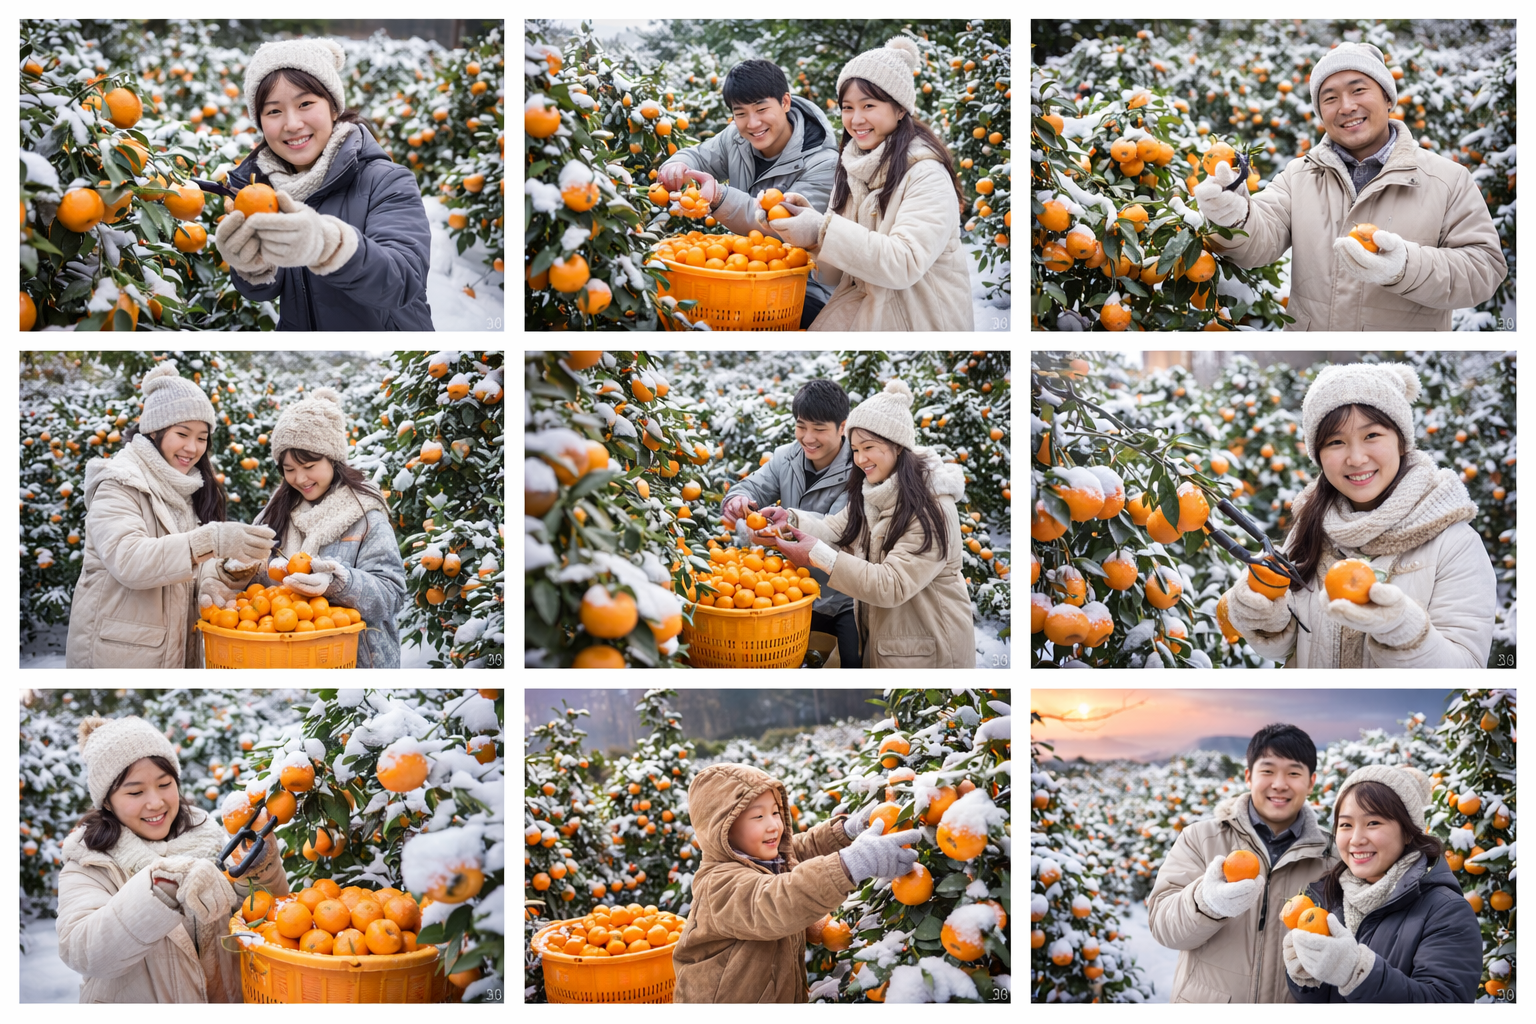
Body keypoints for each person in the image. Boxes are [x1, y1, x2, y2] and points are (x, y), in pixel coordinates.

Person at [1195, 41, 1506, 331]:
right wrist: (1234, 218)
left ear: (1387, 97)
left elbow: (1483, 270)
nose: (1346, 106)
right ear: (1320, 113)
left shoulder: (1447, 179)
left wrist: (1405, 267)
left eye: (1359, 90)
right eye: (1330, 98)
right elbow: (1258, 243)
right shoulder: (1299, 175)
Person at [1221, 362, 1496, 667]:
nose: (1356, 458)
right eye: (1336, 442)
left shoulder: (1454, 543)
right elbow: (1288, 650)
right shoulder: (1311, 524)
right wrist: (1268, 617)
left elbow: (1467, 668)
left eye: (1372, 435)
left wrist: (1404, 631)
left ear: (1401, 440)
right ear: (1318, 454)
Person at [56, 715, 291, 1003]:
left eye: (165, 784)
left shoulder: (212, 838)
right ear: (107, 800)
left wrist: (259, 871)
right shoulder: (90, 864)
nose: (155, 802)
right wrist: (162, 887)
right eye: (135, 791)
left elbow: (270, 924)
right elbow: (84, 951)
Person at [65, 362, 276, 668]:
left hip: (170, 652)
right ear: (154, 429)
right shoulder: (119, 481)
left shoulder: (183, 488)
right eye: (182, 433)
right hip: (120, 657)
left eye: (202, 438)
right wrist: (212, 540)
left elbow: (180, 570)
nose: (192, 448)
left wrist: (227, 569)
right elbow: (130, 559)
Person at [216, 37, 434, 330]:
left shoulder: (387, 181)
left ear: (333, 107)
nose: (292, 123)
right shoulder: (264, 192)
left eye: (305, 103)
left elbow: (403, 280)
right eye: (273, 111)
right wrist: (251, 264)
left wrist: (327, 245)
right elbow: (265, 290)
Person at [756, 378, 973, 667]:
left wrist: (816, 555)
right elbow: (836, 529)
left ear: (897, 446)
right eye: (855, 449)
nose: (859, 459)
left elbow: (891, 584)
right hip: (890, 642)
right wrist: (791, 520)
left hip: (930, 651)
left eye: (868, 447)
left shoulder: (933, 507)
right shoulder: (874, 491)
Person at [760, 37, 972, 331]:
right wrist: (805, 234)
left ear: (900, 109)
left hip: (919, 321)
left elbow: (904, 262)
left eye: (868, 105)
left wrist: (822, 231)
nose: (856, 119)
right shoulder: (850, 167)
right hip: (862, 311)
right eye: (847, 107)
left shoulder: (927, 174)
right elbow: (833, 277)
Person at [671, 762, 918, 1002]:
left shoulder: (764, 859)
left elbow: (800, 850)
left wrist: (846, 832)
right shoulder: (718, 885)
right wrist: (851, 864)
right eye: (758, 816)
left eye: (776, 812)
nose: (773, 825)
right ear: (721, 829)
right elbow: (777, 901)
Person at [199, 387, 405, 668]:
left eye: (309, 465)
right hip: (287, 661)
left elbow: (391, 595)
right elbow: (261, 591)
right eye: (289, 468)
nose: (299, 478)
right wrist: (232, 573)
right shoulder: (275, 515)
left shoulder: (366, 516)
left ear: (333, 458)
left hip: (354, 666)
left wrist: (338, 583)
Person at [1146, 723, 1341, 1002]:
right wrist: (1206, 903)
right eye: (1268, 770)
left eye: (1294, 773)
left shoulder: (1332, 855)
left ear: (1311, 782)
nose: (1279, 784)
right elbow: (1164, 928)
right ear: (1249, 776)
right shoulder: (1201, 839)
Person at [656, 59, 840, 327]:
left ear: (785, 102)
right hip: (743, 269)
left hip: (802, 286)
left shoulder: (823, 163)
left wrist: (719, 197)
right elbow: (698, 156)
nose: (752, 124)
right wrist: (676, 166)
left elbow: (787, 227)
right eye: (740, 113)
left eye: (761, 109)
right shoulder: (736, 137)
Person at [1283, 765, 1482, 1001]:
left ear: (1408, 832)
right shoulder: (1326, 898)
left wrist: (1358, 974)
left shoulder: (1446, 912)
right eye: (1346, 824)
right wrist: (1307, 981)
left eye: (1373, 823)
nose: (1356, 839)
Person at [720, 380, 860, 666]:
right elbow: (751, 488)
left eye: (819, 429)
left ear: (842, 427)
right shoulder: (786, 457)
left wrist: (781, 530)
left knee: (851, 669)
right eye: (801, 426)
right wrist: (737, 500)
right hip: (791, 593)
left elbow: (839, 530)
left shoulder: (859, 467)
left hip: (845, 597)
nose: (808, 438)